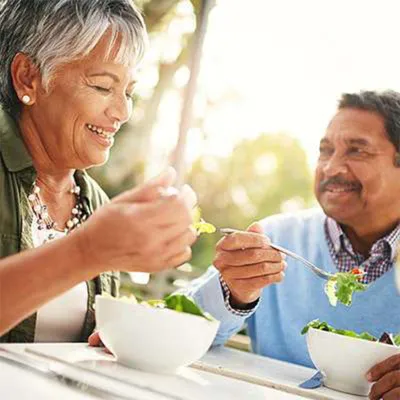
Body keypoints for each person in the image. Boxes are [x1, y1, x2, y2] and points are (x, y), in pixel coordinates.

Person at [0, 0, 197, 341]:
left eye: (128, 92)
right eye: (102, 87)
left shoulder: (98, 205)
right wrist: (85, 252)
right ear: (28, 78)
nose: (122, 111)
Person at [185, 90, 400, 400]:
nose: (331, 168)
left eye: (357, 151)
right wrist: (234, 293)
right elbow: (184, 321)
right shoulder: (275, 239)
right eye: (326, 151)